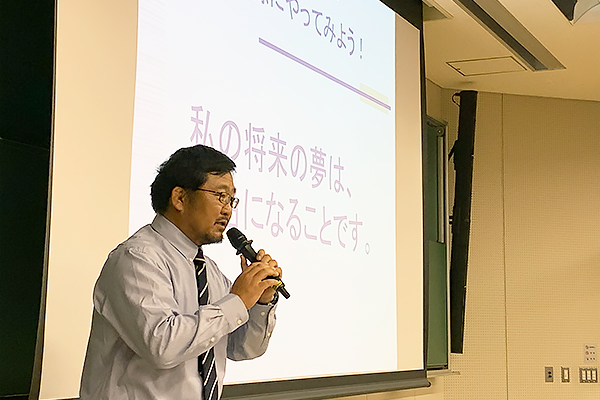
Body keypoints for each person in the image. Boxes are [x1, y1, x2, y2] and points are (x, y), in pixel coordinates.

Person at [79, 145, 282, 400]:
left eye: (231, 200)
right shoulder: (137, 259)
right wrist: (238, 300)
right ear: (179, 198)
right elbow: (162, 346)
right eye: (220, 196)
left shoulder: (210, 271)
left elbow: (240, 348)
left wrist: (261, 301)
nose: (228, 209)